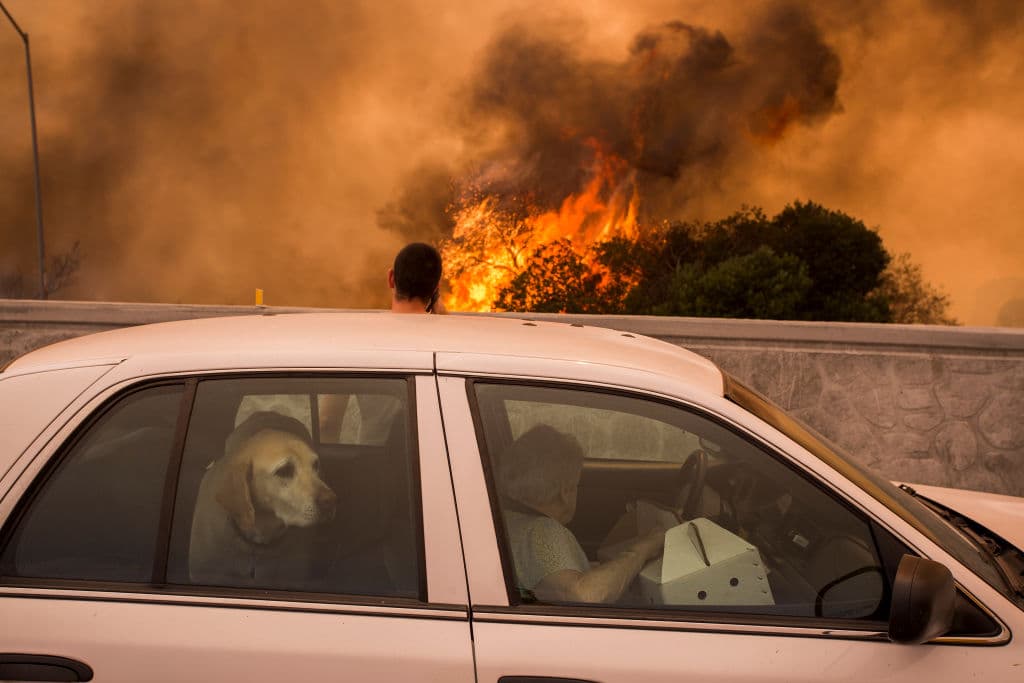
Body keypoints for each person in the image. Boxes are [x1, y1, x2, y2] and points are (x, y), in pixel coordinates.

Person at [497, 424, 667, 604]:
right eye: (576, 484)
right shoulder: (541, 532)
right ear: (565, 492)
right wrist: (643, 549)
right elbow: (584, 595)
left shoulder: (504, 519)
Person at [388, 242, 445, 314]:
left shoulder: (371, 322)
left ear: (391, 278)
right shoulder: (451, 324)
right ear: (436, 289)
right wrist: (443, 318)